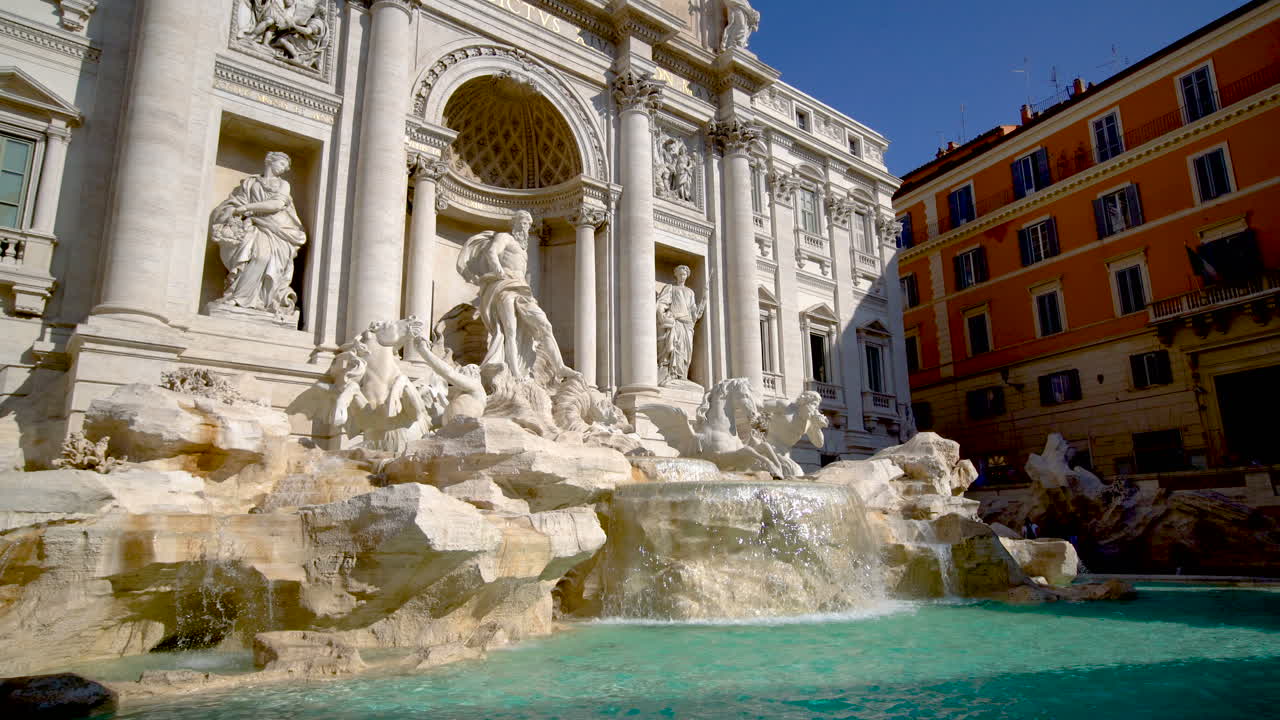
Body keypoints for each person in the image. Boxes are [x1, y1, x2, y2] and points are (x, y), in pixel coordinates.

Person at [457, 211, 574, 383]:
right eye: (523, 222)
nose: (526, 226)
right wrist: (498, 269)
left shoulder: (524, 251)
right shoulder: (505, 238)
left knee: (544, 325)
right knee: (509, 330)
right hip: (504, 287)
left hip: (522, 290)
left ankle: (560, 367)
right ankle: (514, 372)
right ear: (515, 223)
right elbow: (491, 252)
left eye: (528, 223)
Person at [209, 151, 307, 314]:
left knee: (263, 257)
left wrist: (247, 208)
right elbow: (235, 202)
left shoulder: (283, 184)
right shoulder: (250, 182)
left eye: (287, 166)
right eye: (282, 164)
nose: (285, 168)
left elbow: (276, 205)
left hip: (278, 228)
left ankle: (250, 299)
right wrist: (233, 210)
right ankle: (241, 297)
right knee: (250, 253)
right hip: (253, 224)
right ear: (270, 161)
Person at [655, 265, 706, 386]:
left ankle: (682, 375)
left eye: (684, 274)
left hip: (687, 324)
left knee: (686, 351)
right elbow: (662, 303)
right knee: (675, 347)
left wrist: (702, 303)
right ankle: (672, 374)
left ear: (687, 276)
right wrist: (663, 316)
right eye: (680, 274)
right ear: (676, 275)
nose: (682, 277)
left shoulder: (690, 292)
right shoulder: (671, 288)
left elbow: (693, 311)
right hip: (676, 321)